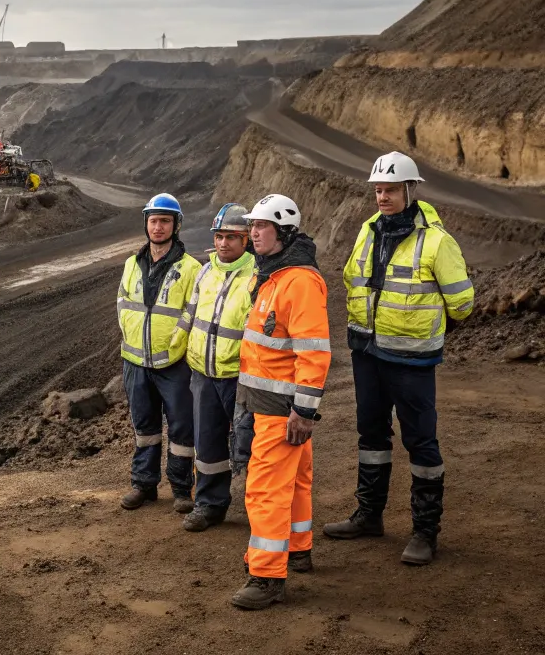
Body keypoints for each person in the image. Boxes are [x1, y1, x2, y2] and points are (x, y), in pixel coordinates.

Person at [323, 151, 474, 565]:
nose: (382, 197)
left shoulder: (437, 242)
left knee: (420, 441)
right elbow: (354, 279)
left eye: (389, 190)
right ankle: (369, 515)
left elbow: (462, 303)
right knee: (371, 434)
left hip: (410, 361)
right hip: (367, 353)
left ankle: (425, 531)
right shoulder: (368, 231)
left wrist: (424, 330)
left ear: (410, 190)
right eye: (377, 190)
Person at [231, 194, 331, 610]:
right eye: (251, 226)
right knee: (297, 481)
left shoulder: (298, 281)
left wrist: (304, 411)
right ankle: (298, 548)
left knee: (264, 489)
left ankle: (267, 575)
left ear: (284, 232)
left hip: (282, 409)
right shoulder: (274, 275)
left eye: (261, 226)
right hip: (271, 403)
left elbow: (315, 351)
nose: (253, 233)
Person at [117, 193, 203, 513]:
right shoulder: (131, 264)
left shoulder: (191, 268)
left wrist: (176, 347)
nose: (157, 226)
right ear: (146, 223)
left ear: (176, 225)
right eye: (153, 220)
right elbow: (123, 305)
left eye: (164, 221)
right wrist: (130, 340)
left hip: (174, 363)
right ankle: (144, 485)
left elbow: (192, 314)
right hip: (136, 361)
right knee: (145, 428)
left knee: (181, 428)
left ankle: (181, 489)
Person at [180, 203, 256, 531]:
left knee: (250, 444)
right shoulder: (205, 271)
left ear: (246, 240)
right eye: (220, 236)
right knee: (208, 442)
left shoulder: (257, 275)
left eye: (232, 237)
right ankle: (210, 504)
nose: (223, 243)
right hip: (203, 372)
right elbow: (191, 316)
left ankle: (262, 510)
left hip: (239, 376)